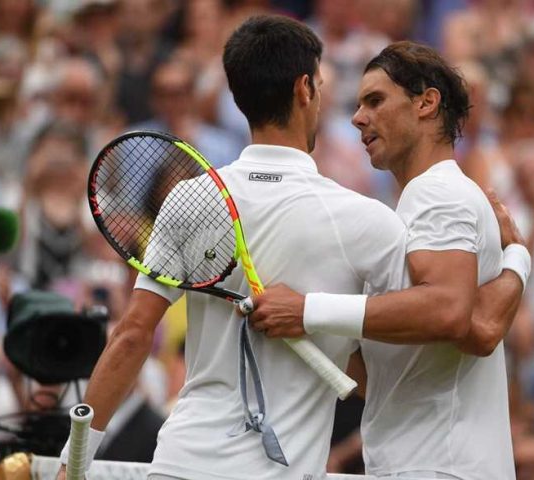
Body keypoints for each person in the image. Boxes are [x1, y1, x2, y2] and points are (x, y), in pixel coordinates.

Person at [56, 15, 406, 480]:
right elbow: (410, 352)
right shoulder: (366, 220)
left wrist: (72, 464)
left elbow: (131, 335)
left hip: (179, 466)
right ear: (305, 89)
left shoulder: (189, 197)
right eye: (320, 87)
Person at [248, 41, 530, 479]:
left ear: (426, 103)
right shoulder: (422, 202)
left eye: (375, 101)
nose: (358, 118)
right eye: (359, 104)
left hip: (437, 468)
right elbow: (399, 369)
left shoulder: (437, 192)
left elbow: (450, 313)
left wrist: (306, 310)